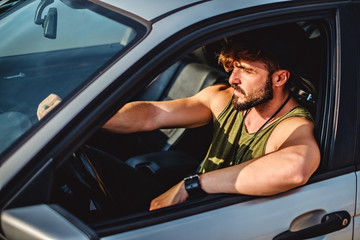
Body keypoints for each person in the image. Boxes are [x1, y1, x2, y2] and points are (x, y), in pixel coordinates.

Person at [38, 23, 321, 212]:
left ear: (280, 77)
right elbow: (152, 114)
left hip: (222, 221)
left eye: (246, 71)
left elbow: (295, 168)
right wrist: (85, 117)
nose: (232, 78)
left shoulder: (291, 125)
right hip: (191, 206)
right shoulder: (223, 98)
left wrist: (191, 184)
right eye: (232, 67)